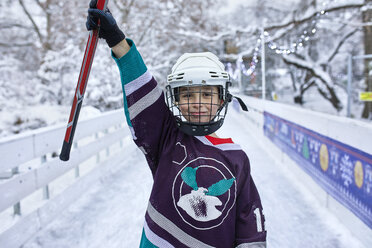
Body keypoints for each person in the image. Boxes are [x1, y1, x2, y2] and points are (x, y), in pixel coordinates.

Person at [86, 1, 267, 247]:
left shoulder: (237, 158)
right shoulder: (166, 138)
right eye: (188, 95)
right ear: (175, 100)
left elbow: (249, 226)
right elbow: (143, 93)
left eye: (206, 94)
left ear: (223, 98)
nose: (197, 103)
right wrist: (116, 39)